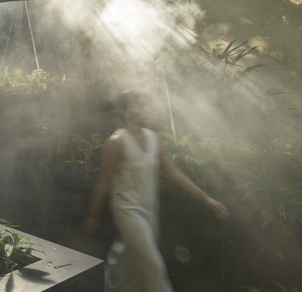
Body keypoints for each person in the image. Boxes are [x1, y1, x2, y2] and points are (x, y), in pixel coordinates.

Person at [84, 90, 229, 292]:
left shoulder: (155, 139)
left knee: (129, 261)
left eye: (147, 104)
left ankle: (112, 287)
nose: (146, 109)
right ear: (125, 111)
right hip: (126, 209)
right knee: (153, 264)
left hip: (149, 209)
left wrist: (207, 199)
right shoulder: (116, 143)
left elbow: (174, 173)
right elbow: (104, 181)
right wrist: (93, 215)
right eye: (139, 105)